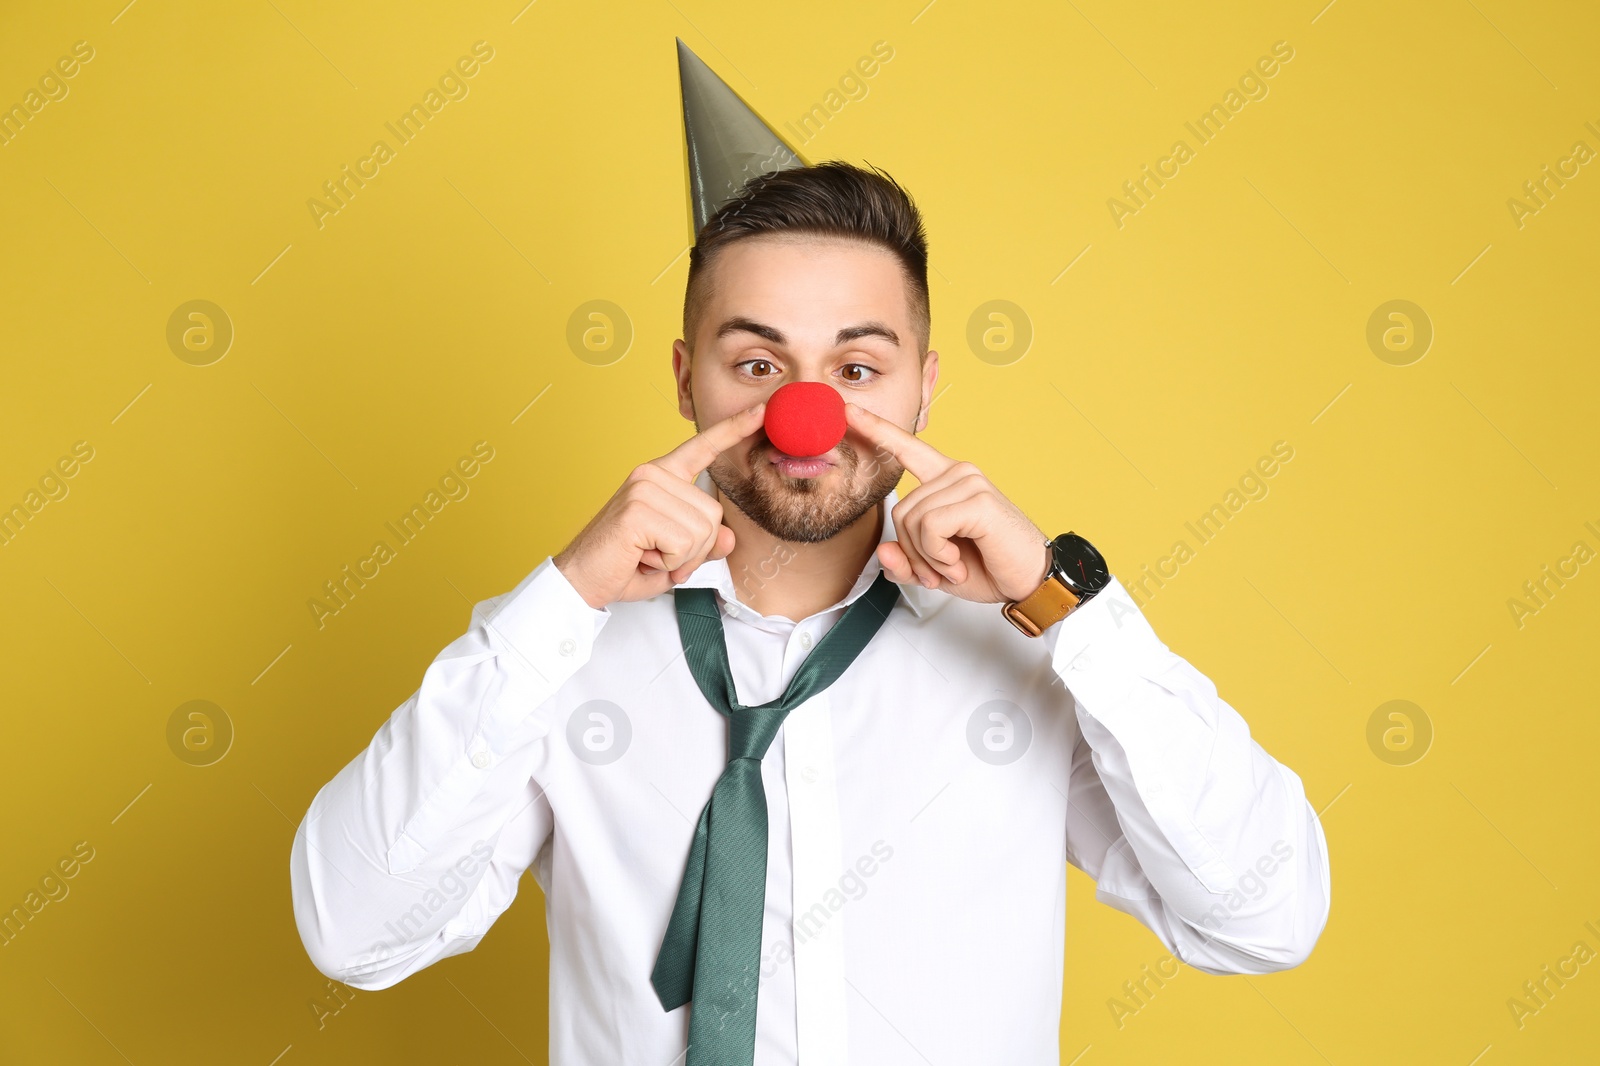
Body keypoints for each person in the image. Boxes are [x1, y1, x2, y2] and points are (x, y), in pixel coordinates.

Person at [290, 45, 1330, 1066]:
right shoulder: (562, 658)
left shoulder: (1029, 656)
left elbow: (1262, 914)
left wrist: (1064, 605)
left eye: (856, 365)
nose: (806, 414)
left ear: (922, 387)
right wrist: (561, 599)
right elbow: (356, 930)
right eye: (757, 362)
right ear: (684, 379)